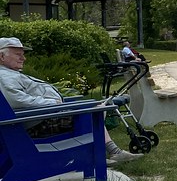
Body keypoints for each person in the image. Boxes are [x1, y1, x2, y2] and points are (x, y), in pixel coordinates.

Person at [0, 37, 142, 164]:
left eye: (23, 54)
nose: (23, 58)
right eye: (18, 54)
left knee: (95, 108)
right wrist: (53, 103)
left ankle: (104, 153)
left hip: (39, 117)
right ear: (1, 56)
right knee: (93, 114)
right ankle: (105, 154)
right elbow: (16, 101)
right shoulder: (4, 76)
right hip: (36, 122)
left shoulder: (8, 74)